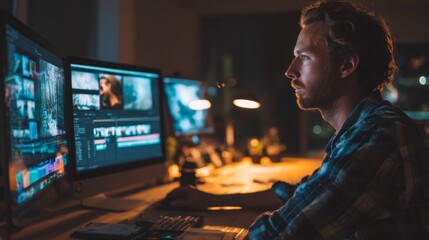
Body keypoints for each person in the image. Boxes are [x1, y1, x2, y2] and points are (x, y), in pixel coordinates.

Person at [164, 0, 429, 239]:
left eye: (304, 58)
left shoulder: (379, 135)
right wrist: (211, 199)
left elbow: (280, 234)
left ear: (347, 65)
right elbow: (303, 193)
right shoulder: (363, 127)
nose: (290, 71)